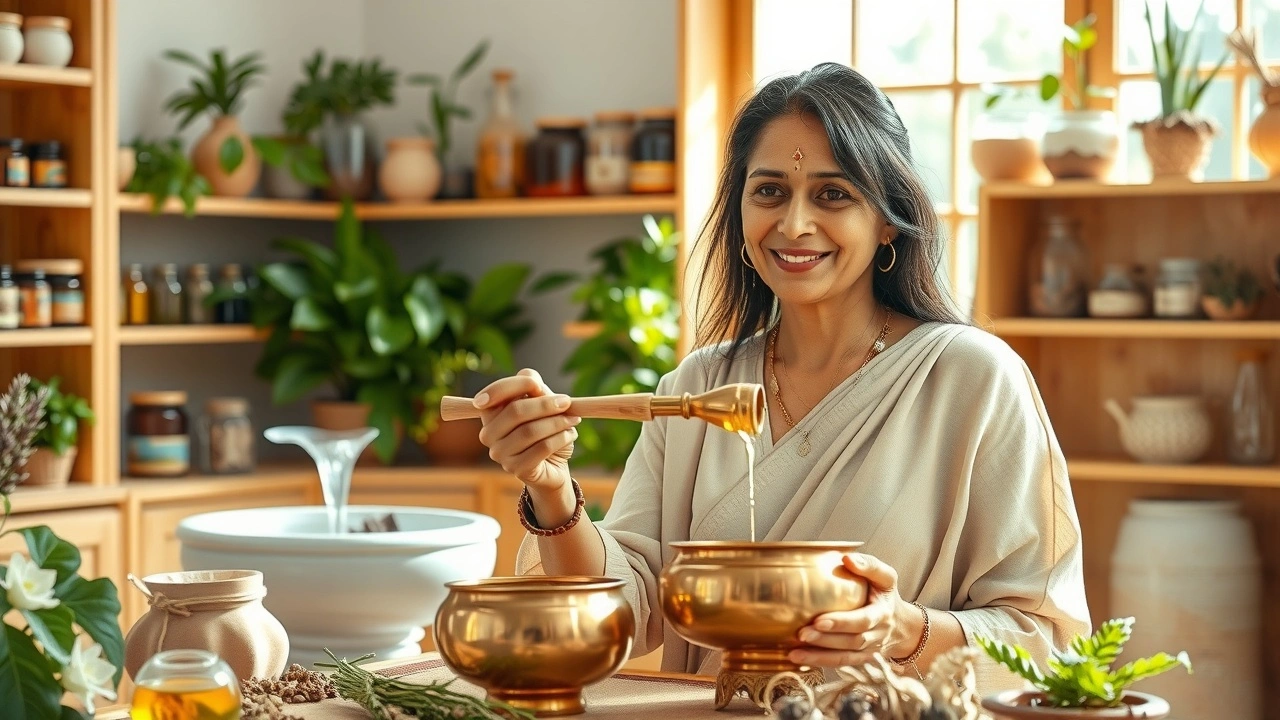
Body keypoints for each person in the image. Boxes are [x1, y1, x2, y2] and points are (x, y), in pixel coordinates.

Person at [471, 62, 1089, 692]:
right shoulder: (696, 388)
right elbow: (621, 615)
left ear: (887, 221)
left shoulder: (974, 380)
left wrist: (903, 629)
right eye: (769, 191)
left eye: (832, 193)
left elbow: (1047, 640)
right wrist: (551, 492)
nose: (794, 224)